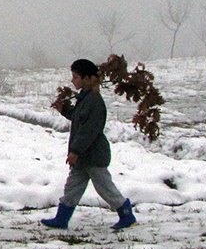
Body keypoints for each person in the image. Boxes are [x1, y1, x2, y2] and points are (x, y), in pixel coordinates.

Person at [41, 58, 136, 230]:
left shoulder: (94, 101)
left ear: (86, 79)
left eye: (76, 77)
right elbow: (78, 118)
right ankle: (61, 219)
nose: (72, 80)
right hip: (83, 157)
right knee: (72, 187)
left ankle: (126, 214)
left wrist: (75, 151)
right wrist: (64, 110)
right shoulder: (84, 99)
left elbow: (88, 131)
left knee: (105, 188)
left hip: (93, 155)